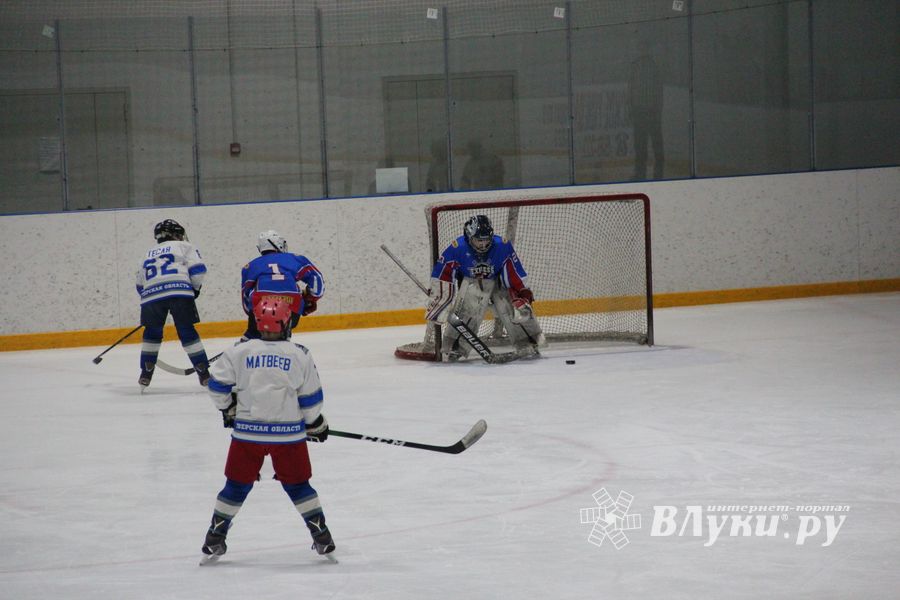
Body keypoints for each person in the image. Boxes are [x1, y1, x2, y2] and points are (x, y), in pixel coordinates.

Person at [200, 298, 334, 564]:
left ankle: (215, 536)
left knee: (236, 486)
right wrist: (315, 423)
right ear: (287, 322)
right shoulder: (300, 353)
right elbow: (310, 401)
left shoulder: (239, 350)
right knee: (298, 485)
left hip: (247, 435)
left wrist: (228, 408)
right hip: (288, 436)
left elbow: (216, 387)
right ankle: (321, 536)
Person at [425, 214, 545, 362]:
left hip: (498, 285)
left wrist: (522, 295)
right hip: (471, 286)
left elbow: (514, 273)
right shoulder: (457, 248)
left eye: (486, 240)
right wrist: (441, 301)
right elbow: (443, 275)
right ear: (469, 237)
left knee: (513, 306)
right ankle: (455, 347)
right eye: (478, 240)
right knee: (471, 301)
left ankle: (528, 342)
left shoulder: (502, 246)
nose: (483, 244)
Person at [135, 219, 210, 389]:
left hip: (150, 296)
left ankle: (145, 373)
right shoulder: (185, 247)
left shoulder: (147, 253)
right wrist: (194, 289)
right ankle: (204, 373)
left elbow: (140, 284)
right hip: (180, 292)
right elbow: (198, 270)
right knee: (186, 331)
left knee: (152, 333)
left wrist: (151, 297)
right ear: (175, 234)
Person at [240, 230, 324, 340]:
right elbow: (317, 281)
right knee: (284, 339)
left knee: (252, 337)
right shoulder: (295, 258)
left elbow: (245, 298)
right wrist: (309, 299)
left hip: (261, 308)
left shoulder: (250, 266)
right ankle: (285, 341)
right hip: (292, 304)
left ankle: (248, 339)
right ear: (278, 244)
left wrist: (252, 314)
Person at [628, 53, 664, 180]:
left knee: (653, 145)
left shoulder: (653, 66)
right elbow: (631, 88)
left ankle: (657, 173)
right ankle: (641, 173)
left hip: (650, 110)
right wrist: (631, 108)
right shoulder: (636, 67)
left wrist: (657, 109)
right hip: (641, 111)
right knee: (641, 145)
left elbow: (659, 90)